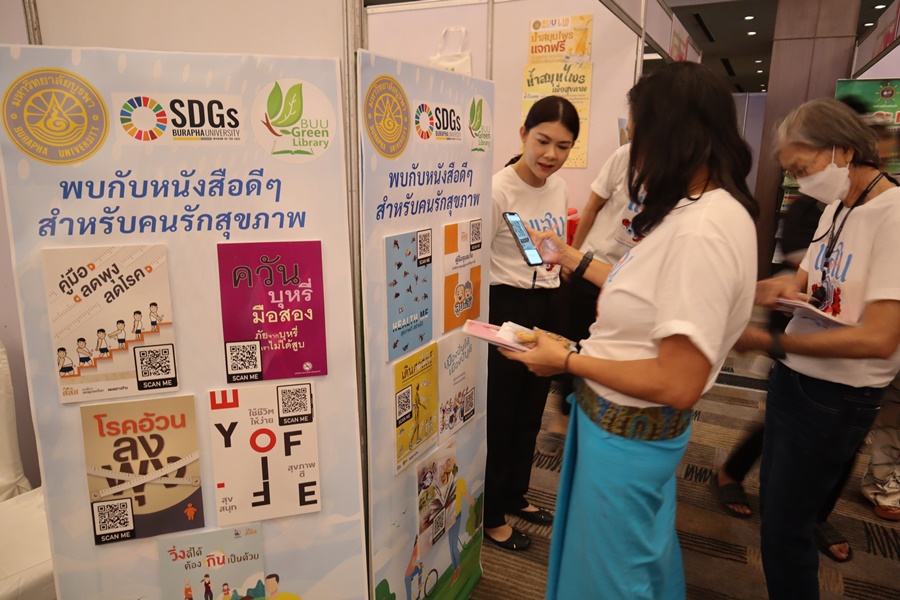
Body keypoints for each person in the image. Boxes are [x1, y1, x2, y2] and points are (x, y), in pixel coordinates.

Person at [500, 62, 759, 599]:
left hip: (628, 436)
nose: (631, 154)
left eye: (636, 137)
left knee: (613, 575)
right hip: (620, 429)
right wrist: (574, 258)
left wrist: (567, 360)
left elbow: (678, 381)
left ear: (670, 137)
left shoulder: (702, 231)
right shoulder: (696, 212)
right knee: (637, 557)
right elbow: (646, 290)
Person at [733, 97, 900, 600]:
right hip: (797, 378)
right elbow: (806, 280)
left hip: (836, 396)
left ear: (844, 150)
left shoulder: (893, 216)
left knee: (787, 531)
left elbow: (880, 337)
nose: (800, 182)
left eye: (803, 169)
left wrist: (767, 339)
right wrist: (760, 290)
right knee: (778, 516)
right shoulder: (837, 206)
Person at [484, 95, 579, 551]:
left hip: (547, 302)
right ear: (523, 134)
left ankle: (514, 494)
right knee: (500, 415)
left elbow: (550, 253)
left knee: (530, 412)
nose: (551, 155)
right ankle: (489, 514)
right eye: (542, 141)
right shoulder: (497, 191)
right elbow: (475, 261)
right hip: (507, 306)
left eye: (563, 146)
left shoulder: (557, 188)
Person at [541, 100, 641, 456]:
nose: (629, 127)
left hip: (632, 276)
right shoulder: (623, 157)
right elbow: (593, 207)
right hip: (593, 264)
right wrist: (574, 255)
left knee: (613, 349)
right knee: (574, 338)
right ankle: (563, 416)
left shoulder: (679, 173)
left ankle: (594, 416)